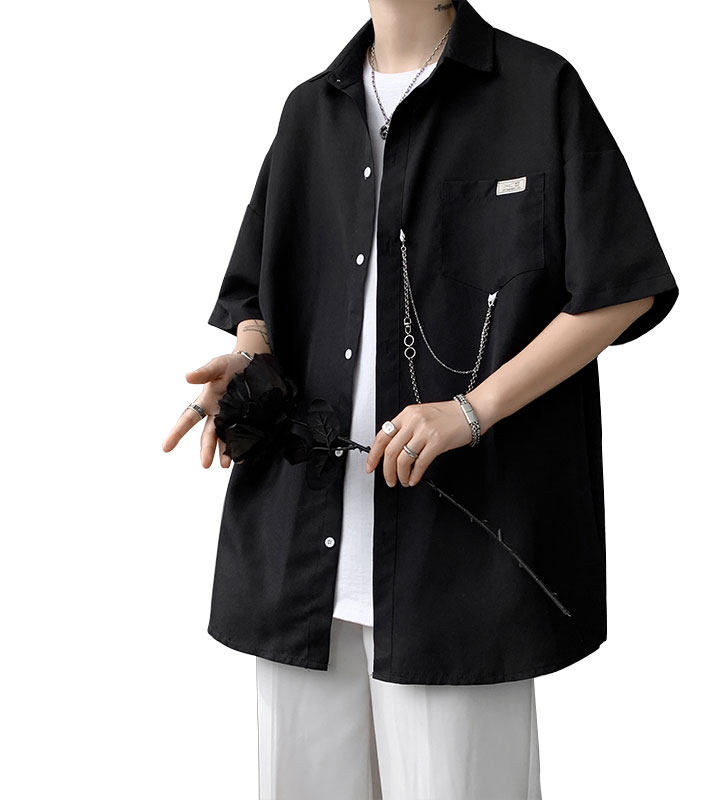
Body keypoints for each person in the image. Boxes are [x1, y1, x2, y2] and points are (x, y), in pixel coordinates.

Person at [163, 0, 679, 797]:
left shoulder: (538, 89)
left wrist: (472, 410)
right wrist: (248, 365)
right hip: (303, 564)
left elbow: (619, 288)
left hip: (463, 569)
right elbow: (254, 298)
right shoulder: (309, 111)